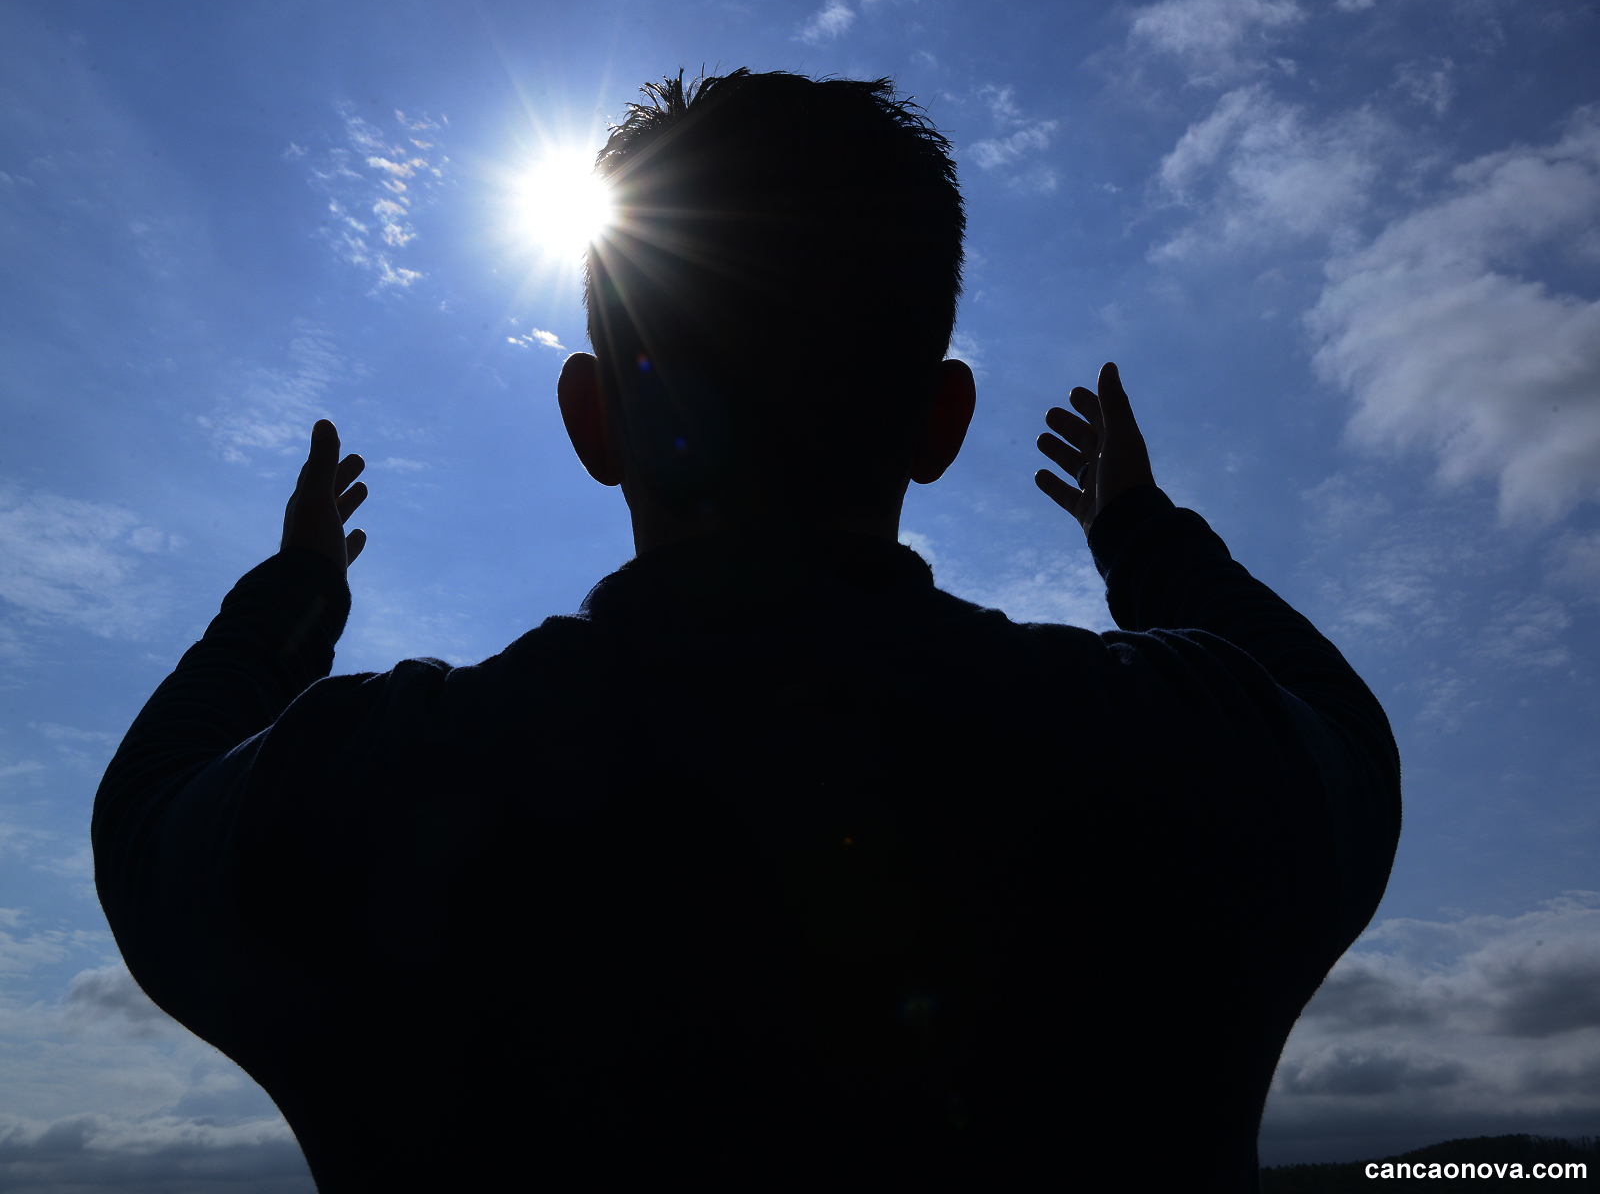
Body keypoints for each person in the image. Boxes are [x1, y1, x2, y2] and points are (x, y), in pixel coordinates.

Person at [94, 70, 1400, 1192]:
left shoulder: (354, 795)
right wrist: (1143, 536)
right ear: (943, 422)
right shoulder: (1192, 758)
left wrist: (293, 601)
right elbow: (1334, 718)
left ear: (592, 419)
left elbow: (143, 809)